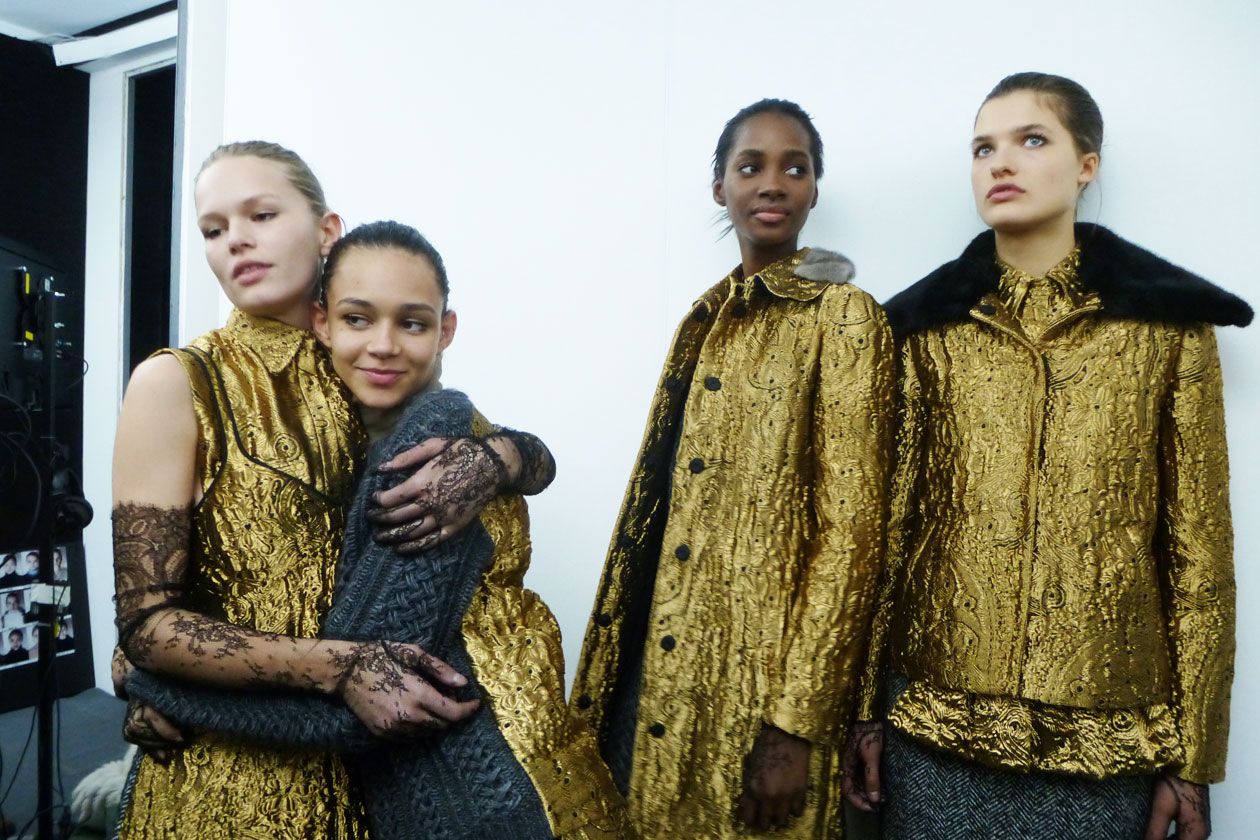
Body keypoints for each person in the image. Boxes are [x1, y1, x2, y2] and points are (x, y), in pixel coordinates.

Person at [127, 220, 636, 840]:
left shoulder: (424, 449)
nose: (384, 345)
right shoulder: (393, 430)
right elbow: (538, 462)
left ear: (446, 330)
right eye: (358, 319)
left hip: (494, 796)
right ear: (323, 323)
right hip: (542, 765)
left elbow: (347, 712)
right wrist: (514, 454)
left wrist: (159, 679)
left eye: (412, 324)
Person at [845, 72, 1250, 840]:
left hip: (1109, 732)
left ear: (1087, 164)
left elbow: (1199, 553)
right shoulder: (923, 329)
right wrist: (864, 712)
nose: (1001, 162)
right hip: (934, 721)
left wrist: (1195, 756)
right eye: (983, 148)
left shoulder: (1166, 328)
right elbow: (885, 531)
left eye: (1032, 140)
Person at [571, 98, 894, 839]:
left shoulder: (845, 316)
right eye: (751, 166)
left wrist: (795, 726)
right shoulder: (705, 317)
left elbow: (853, 537)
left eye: (794, 168)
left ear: (814, 189)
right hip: (657, 672)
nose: (773, 183)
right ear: (720, 187)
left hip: (760, 693)